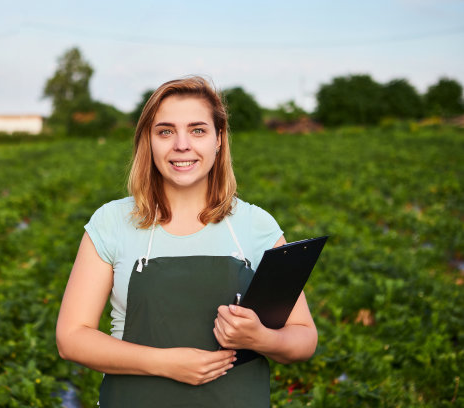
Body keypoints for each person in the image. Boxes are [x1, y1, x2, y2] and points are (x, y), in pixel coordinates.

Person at [56, 76, 317, 407]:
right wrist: (165, 363)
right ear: (147, 141)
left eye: (198, 130)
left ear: (219, 139)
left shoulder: (256, 225)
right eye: (165, 131)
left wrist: (261, 337)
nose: (182, 145)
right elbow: (71, 338)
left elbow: (304, 338)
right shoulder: (111, 223)